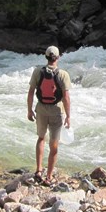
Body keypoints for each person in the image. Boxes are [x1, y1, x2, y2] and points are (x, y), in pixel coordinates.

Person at [27, 45, 71, 186]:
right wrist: (69, 116)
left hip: (40, 107)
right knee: (54, 144)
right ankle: (49, 176)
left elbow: (31, 92)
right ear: (58, 57)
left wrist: (29, 110)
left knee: (41, 138)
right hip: (56, 110)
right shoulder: (63, 74)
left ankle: (39, 170)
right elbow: (66, 98)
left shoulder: (37, 71)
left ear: (46, 57)